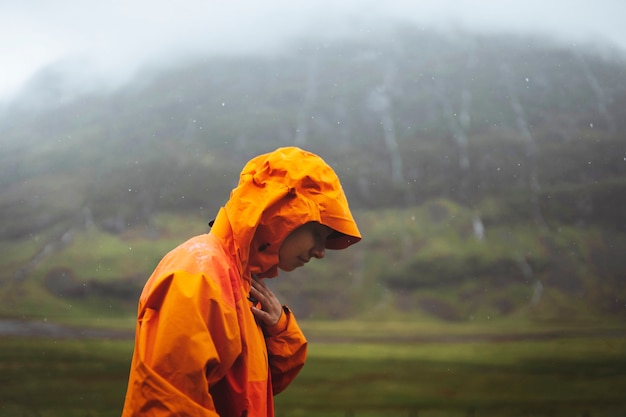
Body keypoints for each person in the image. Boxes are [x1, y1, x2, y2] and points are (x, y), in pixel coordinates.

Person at [121, 146, 361, 417]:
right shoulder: (199, 275)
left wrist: (279, 331)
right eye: (318, 234)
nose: (321, 252)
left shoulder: (241, 282)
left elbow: (250, 393)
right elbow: (168, 406)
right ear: (283, 214)